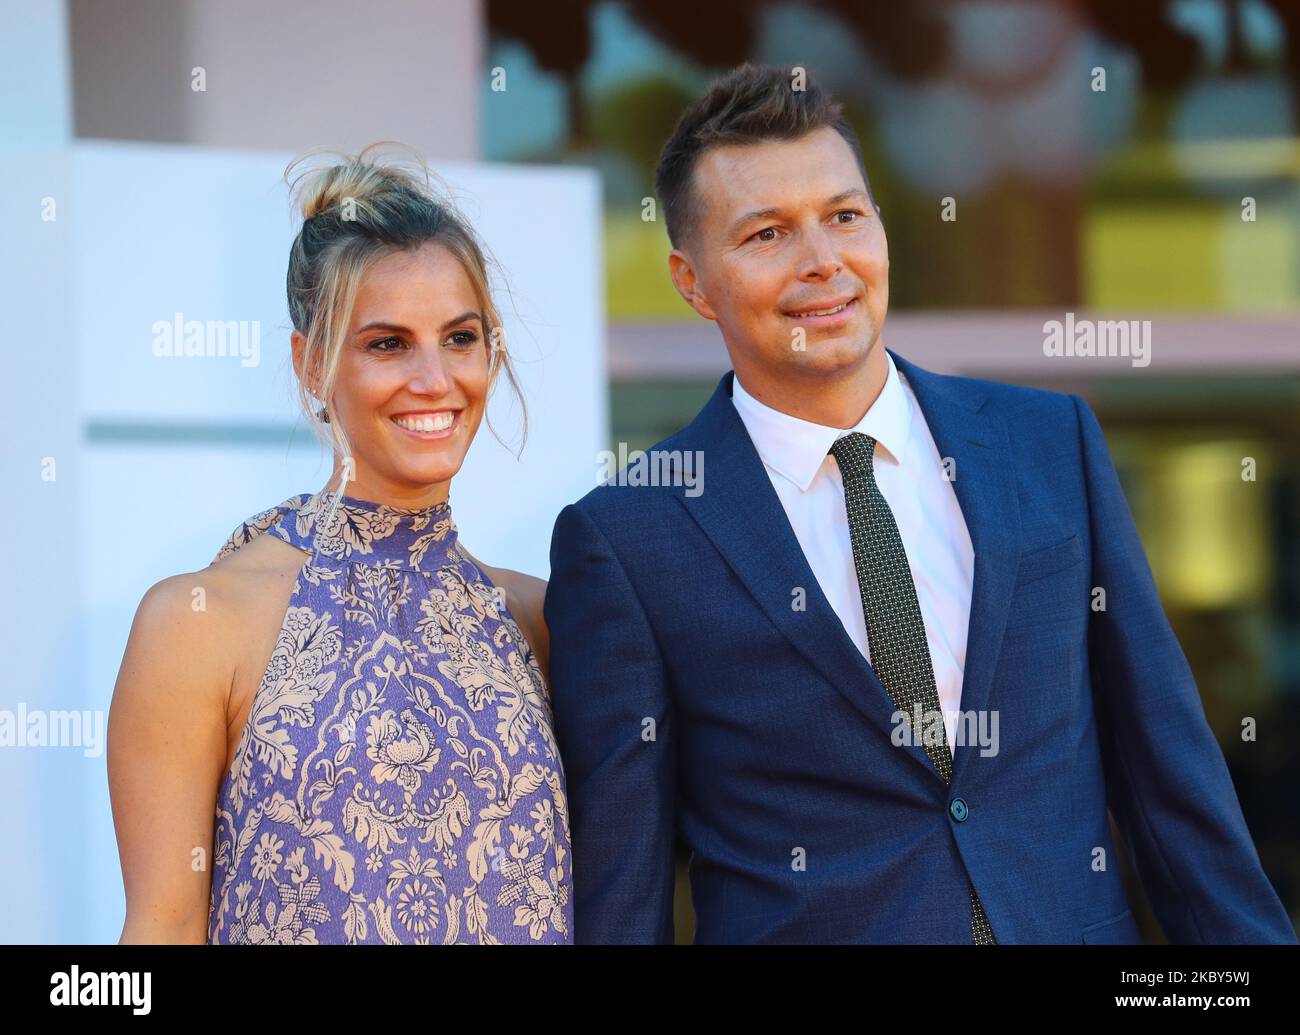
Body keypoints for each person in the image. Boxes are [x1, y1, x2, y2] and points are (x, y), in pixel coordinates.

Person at [544, 64, 1296, 944]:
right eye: (767, 234)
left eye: (845, 215)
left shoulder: (1049, 447)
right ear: (692, 281)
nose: (823, 261)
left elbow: (1171, 775)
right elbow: (625, 890)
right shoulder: (629, 538)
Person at [108, 145, 572, 944]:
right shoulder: (196, 623)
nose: (434, 378)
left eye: (460, 338)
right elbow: (161, 929)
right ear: (312, 363)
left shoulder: (542, 619)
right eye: (387, 344)